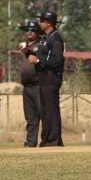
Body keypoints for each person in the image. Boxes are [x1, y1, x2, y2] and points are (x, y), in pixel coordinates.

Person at [31, 11, 64, 147]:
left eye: (42, 21)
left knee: (51, 109)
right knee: (44, 109)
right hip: (44, 77)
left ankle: (54, 140)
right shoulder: (46, 38)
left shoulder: (56, 39)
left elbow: (56, 61)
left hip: (51, 77)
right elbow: (41, 56)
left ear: (49, 23)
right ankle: (46, 139)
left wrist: (38, 59)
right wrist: (28, 53)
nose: (40, 23)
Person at [18, 20, 46, 147]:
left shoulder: (41, 44)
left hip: (38, 84)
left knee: (42, 114)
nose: (29, 31)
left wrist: (28, 49)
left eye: (32, 29)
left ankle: (46, 140)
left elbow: (44, 59)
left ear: (37, 32)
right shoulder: (24, 46)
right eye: (28, 29)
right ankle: (30, 142)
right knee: (30, 117)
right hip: (26, 86)